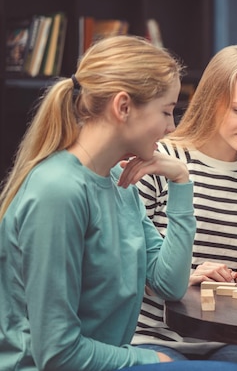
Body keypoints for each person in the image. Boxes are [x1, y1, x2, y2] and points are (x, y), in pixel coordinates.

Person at [0, 35, 199, 369]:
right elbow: (57, 353)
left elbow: (169, 284)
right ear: (123, 107)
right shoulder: (57, 191)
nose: (171, 127)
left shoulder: (120, 183)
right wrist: (147, 358)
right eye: (166, 112)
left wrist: (181, 180)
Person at [131, 45, 237, 370]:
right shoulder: (160, 161)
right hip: (152, 337)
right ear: (211, 100)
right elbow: (126, 264)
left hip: (227, 340)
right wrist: (182, 276)